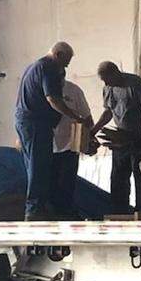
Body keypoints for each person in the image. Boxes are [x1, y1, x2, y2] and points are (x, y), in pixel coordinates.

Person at [14, 42, 86, 221]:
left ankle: (38, 207)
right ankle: (34, 210)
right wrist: (74, 116)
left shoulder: (33, 67)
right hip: (37, 124)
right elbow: (53, 99)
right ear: (58, 54)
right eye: (66, 62)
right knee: (40, 166)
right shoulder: (49, 67)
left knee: (35, 165)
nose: (67, 66)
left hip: (26, 122)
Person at [90, 61, 141, 214]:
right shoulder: (108, 88)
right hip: (119, 139)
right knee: (118, 178)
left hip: (138, 138)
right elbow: (108, 112)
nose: (106, 83)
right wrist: (94, 130)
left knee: (140, 178)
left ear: (116, 72)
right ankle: (119, 212)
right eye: (103, 80)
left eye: (107, 79)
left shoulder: (136, 84)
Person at [51, 76, 95, 219]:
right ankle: (51, 214)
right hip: (46, 146)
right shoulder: (42, 89)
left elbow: (87, 119)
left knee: (67, 184)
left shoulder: (73, 90)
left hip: (69, 146)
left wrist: (88, 140)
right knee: (49, 185)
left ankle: (65, 214)